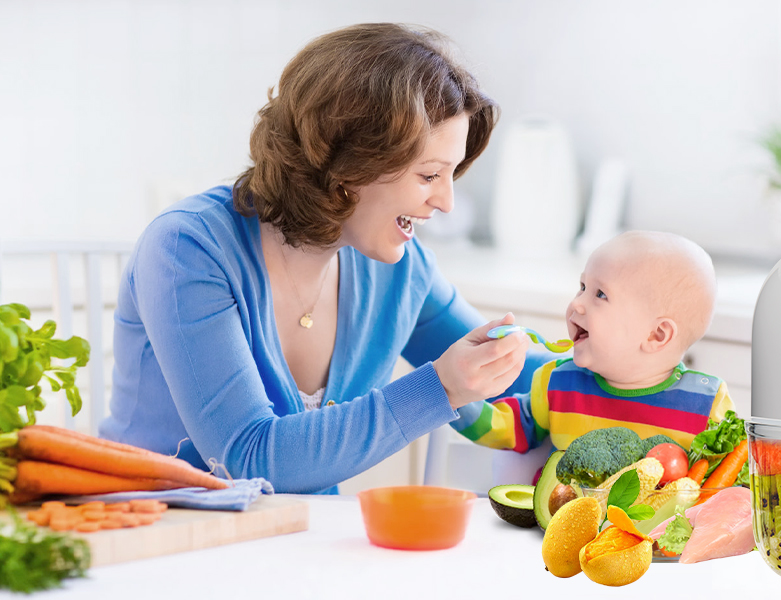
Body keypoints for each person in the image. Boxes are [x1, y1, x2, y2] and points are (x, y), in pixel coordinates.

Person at [99, 23, 549, 494]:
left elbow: (512, 373)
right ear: (352, 165)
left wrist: (620, 373)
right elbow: (248, 458)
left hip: (298, 543)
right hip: (154, 535)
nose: (446, 202)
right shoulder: (187, 250)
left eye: (451, 173)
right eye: (430, 174)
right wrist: (439, 388)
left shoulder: (400, 269)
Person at [453, 231, 735, 454]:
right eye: (583, 287)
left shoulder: (707, 405)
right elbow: (507, 427)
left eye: (600, 295)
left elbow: (732, 483)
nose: (577, 302)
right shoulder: (557, 383)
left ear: (656, 335)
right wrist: (452, 395)